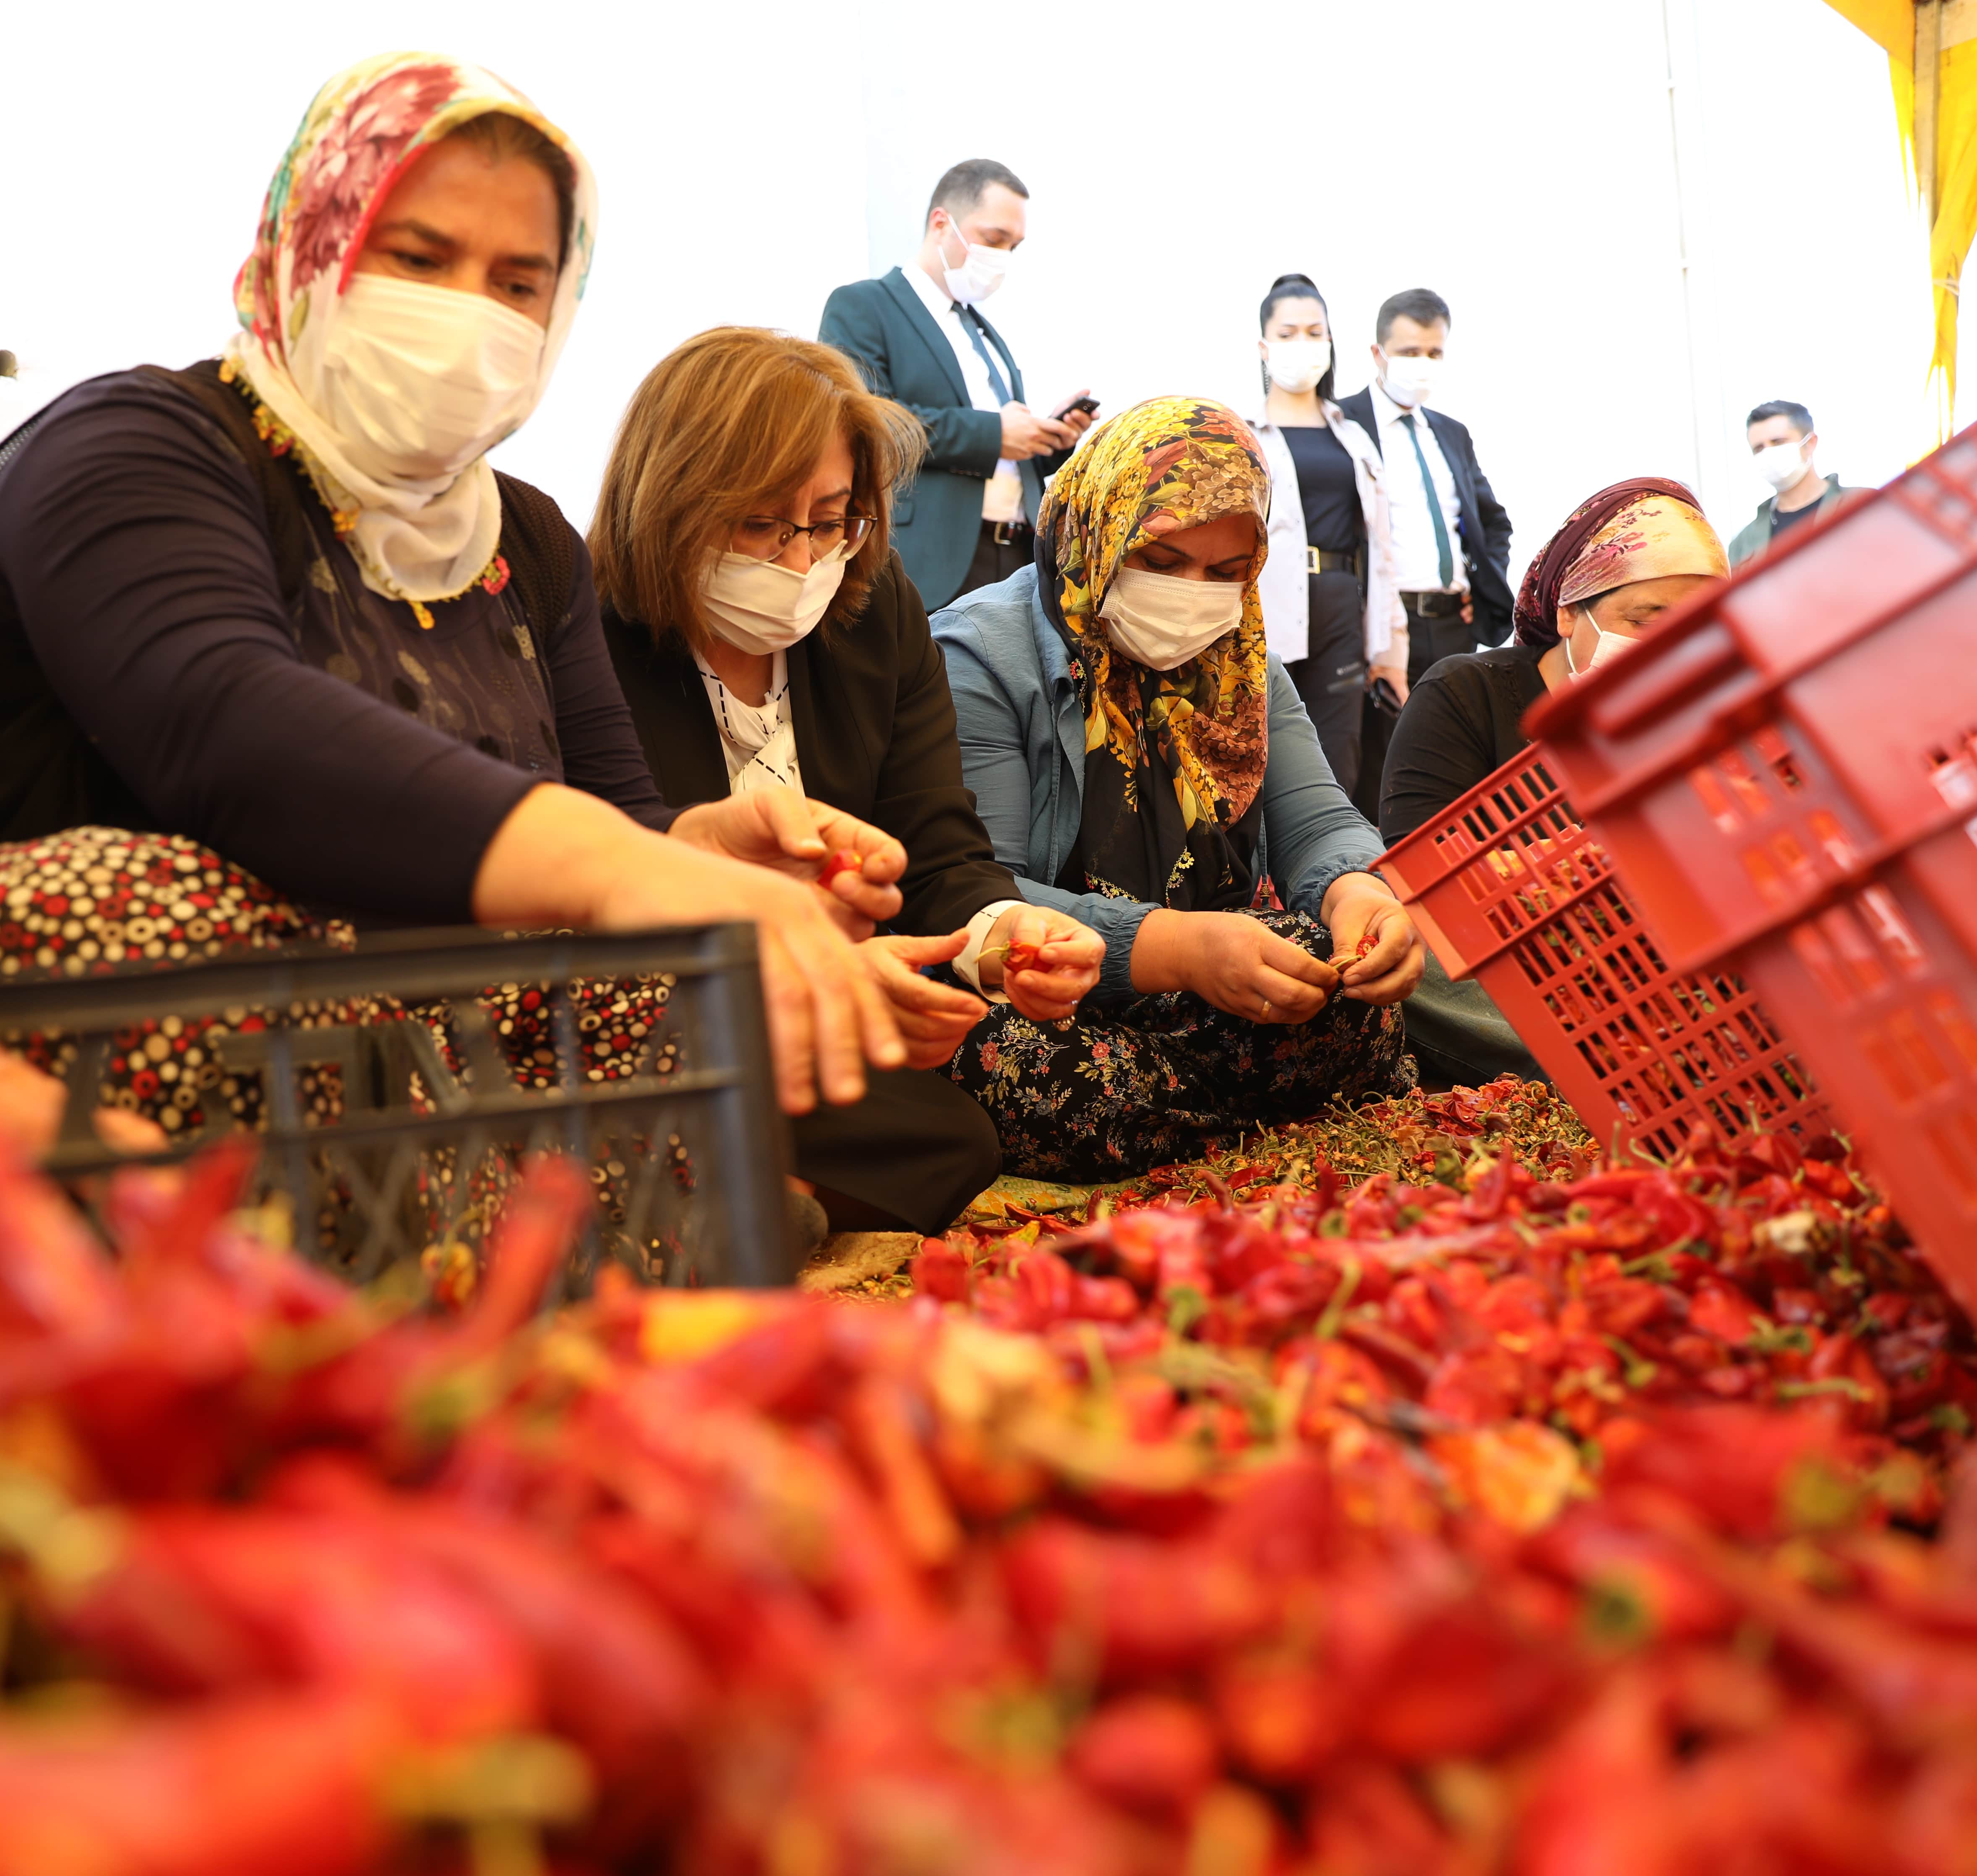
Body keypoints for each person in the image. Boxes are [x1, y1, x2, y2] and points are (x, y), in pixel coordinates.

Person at [0, 53, 907, 1134]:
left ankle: (480, 1233)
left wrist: (696, 855)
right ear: (310, 245)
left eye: (517, 284)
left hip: (400, 1031)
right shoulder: (136, 449)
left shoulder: (528, 539)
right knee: (149, 907)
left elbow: (614, 824)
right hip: (70, 1026)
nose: (468, 315)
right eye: (417, 257)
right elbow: (225, 725)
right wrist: (615, 868)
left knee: (693, 994)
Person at [591, 326, 1105, 1232]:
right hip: (643, 1028)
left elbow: (937, 847)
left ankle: (721, 1197)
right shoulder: (586, 633)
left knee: (952, 1141)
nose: (799, 562)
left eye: (829, 522)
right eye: (758, 522)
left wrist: (1002, 934)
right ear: (670, 502)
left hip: (808, 1042)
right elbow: (592, 892)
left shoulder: (872, 613)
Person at [933, 396, 1424, 1183]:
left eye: (1227, 574)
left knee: (1333, 982)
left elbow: (1320, 821)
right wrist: (1176, 950)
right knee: (1033, 1073)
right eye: (1161, 564)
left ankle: (1201, 1108)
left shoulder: (1241, 663)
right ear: (1097, 529)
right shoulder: (982, 659)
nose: (1195, 594)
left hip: (1205, 990)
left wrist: (1361, 898)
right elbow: (975, 892)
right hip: (1049, 998)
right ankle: (1256, 1107)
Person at [1375, 478, 1731, 1088]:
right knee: (1402, 954)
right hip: (1512, 974)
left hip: (1655, 968)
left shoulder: (1710, 720)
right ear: (1569, 612)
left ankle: (1648, 1062)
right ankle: (1622, 1070)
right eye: (1646, 621)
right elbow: (1421, 878)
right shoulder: (1466, 694)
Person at [816, 160, 1090, 612]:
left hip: (1017, 560)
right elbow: (866, 422)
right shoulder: (864, 306)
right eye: (993, 239)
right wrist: (994, 434)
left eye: (1014, 247)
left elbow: (1002, 446)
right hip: (932, 563)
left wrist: (1047, 439)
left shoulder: (982, 331)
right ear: (941, 224)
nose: (1003, 256)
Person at [1337, 288, 1514, 821]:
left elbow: (1492, 523)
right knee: (1380, 769)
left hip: (1449, 625)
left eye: (1434, 353)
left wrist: (1479, 588)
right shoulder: (1340, 425)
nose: (1423, 364)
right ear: (1378, 354)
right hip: (1382, 627)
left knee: (1456, 765)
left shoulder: (1451, 433)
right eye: (1411, 351)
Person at [1244, 275, 1402, 801]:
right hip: (1265, 604)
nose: (1303, 344)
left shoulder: (1352, 436)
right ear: (1264, 347)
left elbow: (1382, 550)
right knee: (1264, 749)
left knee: (1337, 756)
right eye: (1288, 333)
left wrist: (1390, 647)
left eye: (1315, 333)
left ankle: (1328, 873)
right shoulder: (1242, 431)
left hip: (1340, 603)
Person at [1730, 400, 1863, 566]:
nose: (1768, 453)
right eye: (1759, 449)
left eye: (1778, 442)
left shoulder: (1864, 506)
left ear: (1810, 443)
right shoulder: (1742, 546)